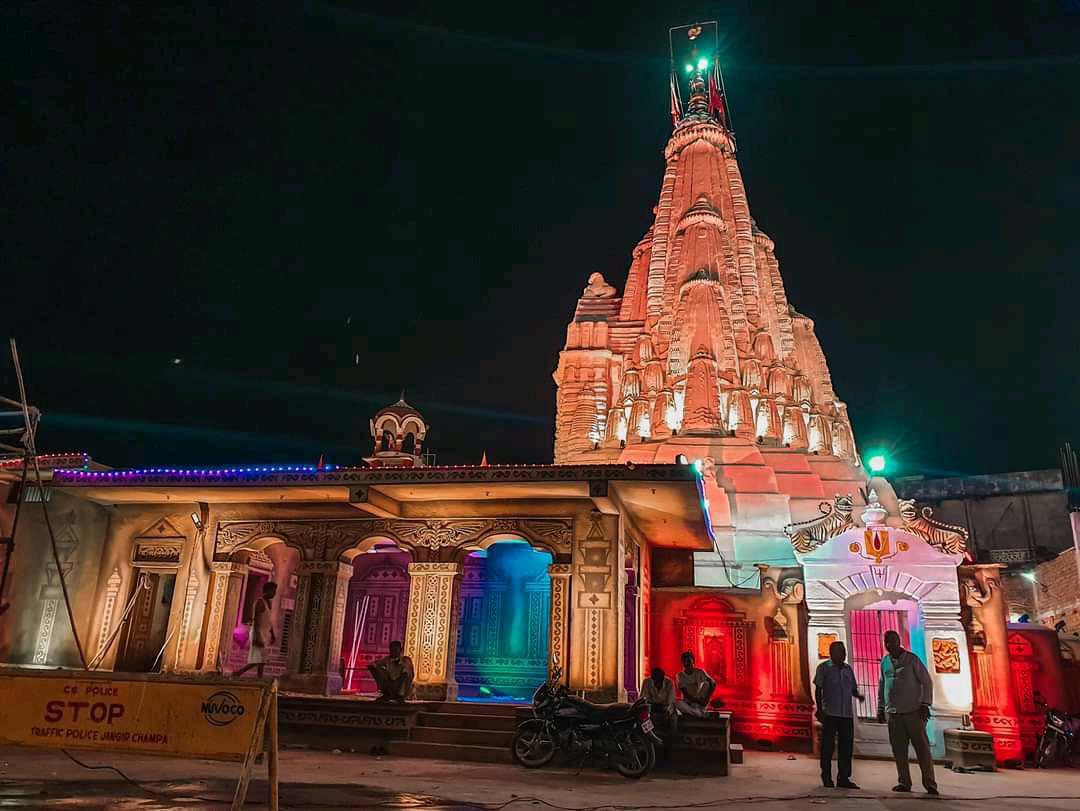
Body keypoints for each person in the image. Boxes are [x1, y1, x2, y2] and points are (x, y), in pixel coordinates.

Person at [876, 630, 938, 796]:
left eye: (893, 641)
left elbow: (926, 681)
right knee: (899, 750)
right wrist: (880, 708)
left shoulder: (912, 660)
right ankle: (904, 781)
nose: (890, 645)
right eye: (887, 642)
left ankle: (930, 783)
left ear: (899, 642)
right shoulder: (885, 662)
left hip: (913, 712)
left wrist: (925, 704)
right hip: (893, 713)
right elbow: (882, 686)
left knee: (922, 749)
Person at [814, 640, 864, 789]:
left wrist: (858, 696)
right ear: (832, 653)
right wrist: (820, 709)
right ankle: (827, 776)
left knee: (846, 747)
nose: (844, 653)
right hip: (830, 713)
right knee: (828, 747)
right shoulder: (824, 668)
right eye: (840, 650)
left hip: (846, 714)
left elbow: (852, 689)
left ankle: (844, 778)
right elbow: (818, 689)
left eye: (844, 650)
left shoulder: (848, 669)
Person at [234, 582, 277, 679]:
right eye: (273, 591)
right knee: (259, 659)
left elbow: (268, 619)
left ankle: (239, 673)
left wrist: (272, 633)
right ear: (268, 591)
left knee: (260, 659)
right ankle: (253, 677)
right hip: (258, 633)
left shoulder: (268, 603)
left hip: (264, 633)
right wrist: (257, 637)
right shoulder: (260, 602)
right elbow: (256, 620)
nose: (274, 593)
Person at [639, 667, 677, 759]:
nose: (656, 683)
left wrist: (665, 710)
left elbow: (670, 702)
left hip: (666, 709)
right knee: (643, 720)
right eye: (655, 680)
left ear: (663, 678)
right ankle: (646, 748)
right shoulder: (647, 682)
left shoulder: (669, 683)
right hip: (651, 709)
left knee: (673, 722)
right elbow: (644, 700)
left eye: (658, 680)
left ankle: (669, 750)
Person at [675, 651, 716, 718]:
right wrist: (697, 701)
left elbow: (713, 683)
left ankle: (695, 712)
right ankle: (700, 714)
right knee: (676, 702)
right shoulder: (680, 675)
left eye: (689, 662)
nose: (687, 664)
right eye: (685, 662)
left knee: (707, 683)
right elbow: (686, 694)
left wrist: (707, 698)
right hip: (688, 703)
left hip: (701, 703)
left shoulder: (700, 672)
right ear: (682, 663)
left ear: (693, 661)